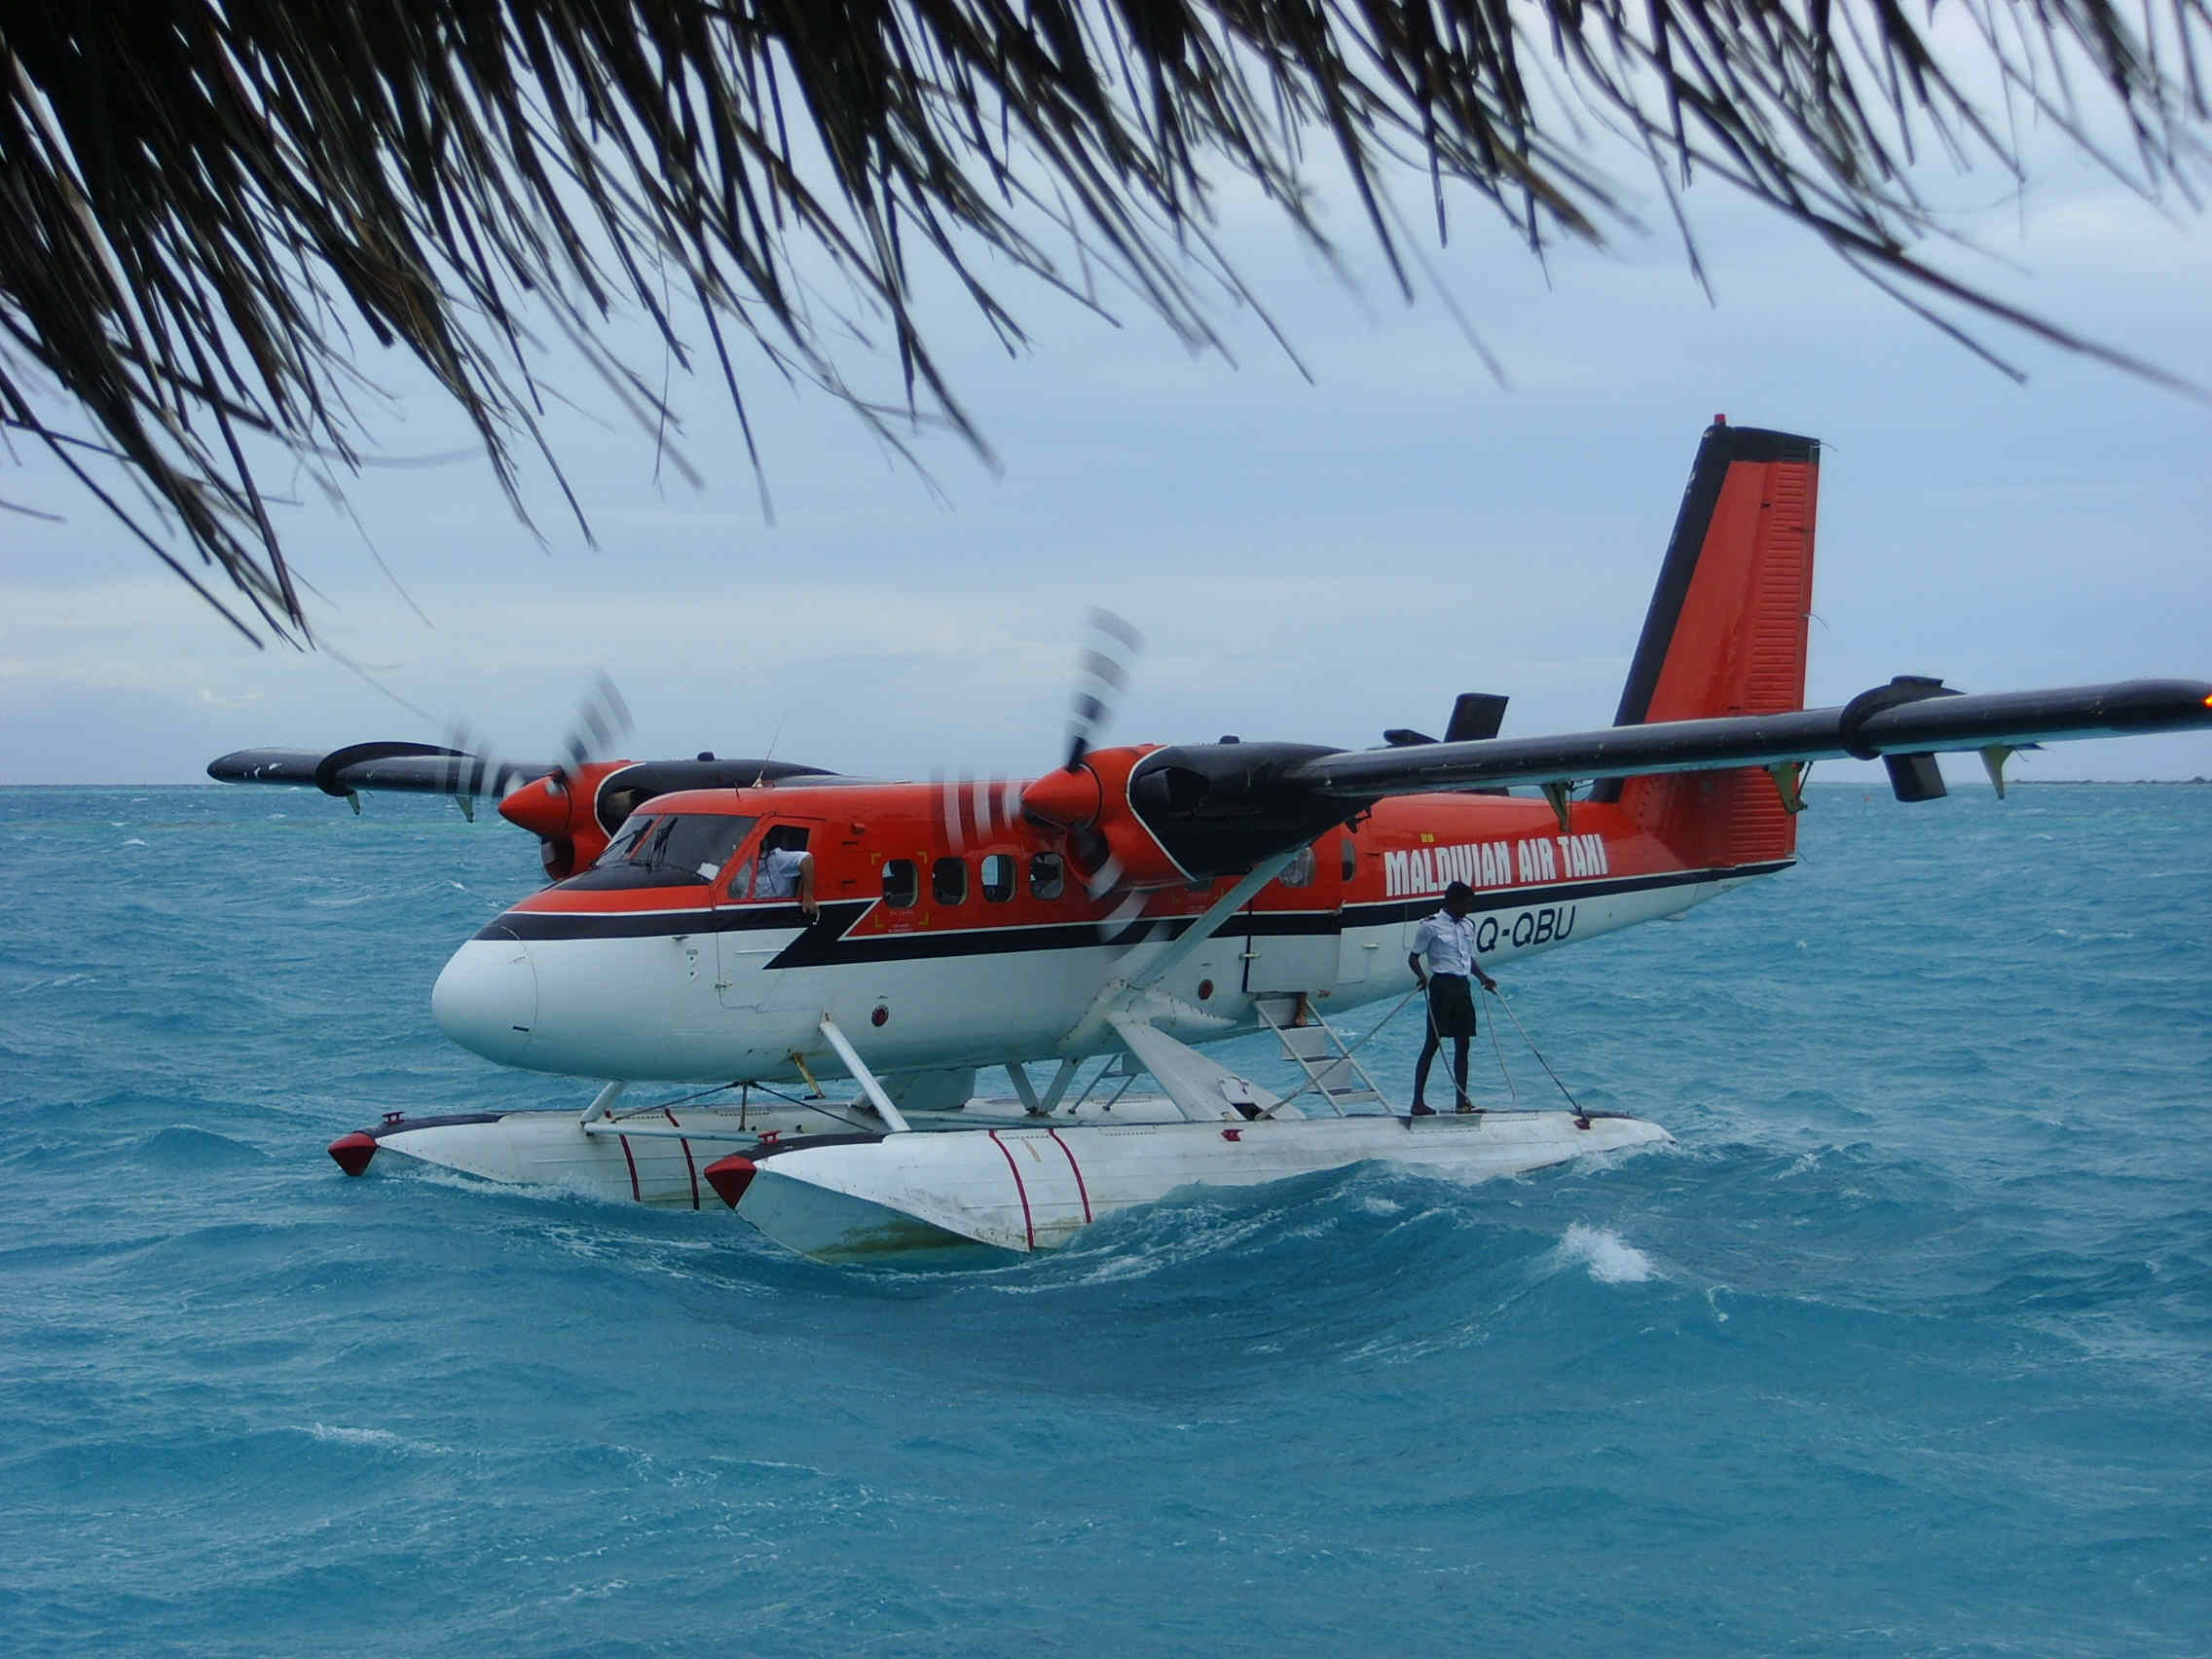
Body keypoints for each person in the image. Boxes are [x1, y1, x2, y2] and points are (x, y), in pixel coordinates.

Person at [1407, 881, 1495, 1115]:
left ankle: (1462, 1102)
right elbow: (1413, 957)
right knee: (1432, 1044)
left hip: (1462, 987)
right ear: (1453, 902)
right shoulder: (1430, 926)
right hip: (1441, 987)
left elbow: (1468, 958)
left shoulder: (1468, 925)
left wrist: (1483, 977)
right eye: (1466, 903)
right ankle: (1418, 1102)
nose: (1470, 907)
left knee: (1463, 1044)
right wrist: (1421, 976)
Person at [752, 828, 818, 919]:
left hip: (781, 912)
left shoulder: (775, 858)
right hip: (756, 912)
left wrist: (808, 896)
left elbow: (806, 858)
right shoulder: (743, 864)